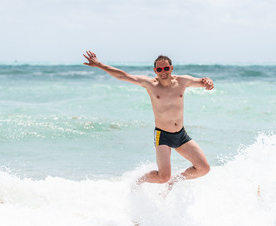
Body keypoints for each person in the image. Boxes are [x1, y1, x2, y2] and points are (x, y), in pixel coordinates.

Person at [83, 50, 213, 189]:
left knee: (203, 168)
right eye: (159, 69)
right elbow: (123, 76)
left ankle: (175, 180)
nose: (163, 72)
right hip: (162, 135)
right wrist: (99, 65)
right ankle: (138, 181)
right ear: (155, 71)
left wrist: (208, 81)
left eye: (166, 68)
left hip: (181, 134)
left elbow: (202, 81)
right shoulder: (150, 84)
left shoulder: (182, 81)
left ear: (171, 68)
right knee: (163, 177)